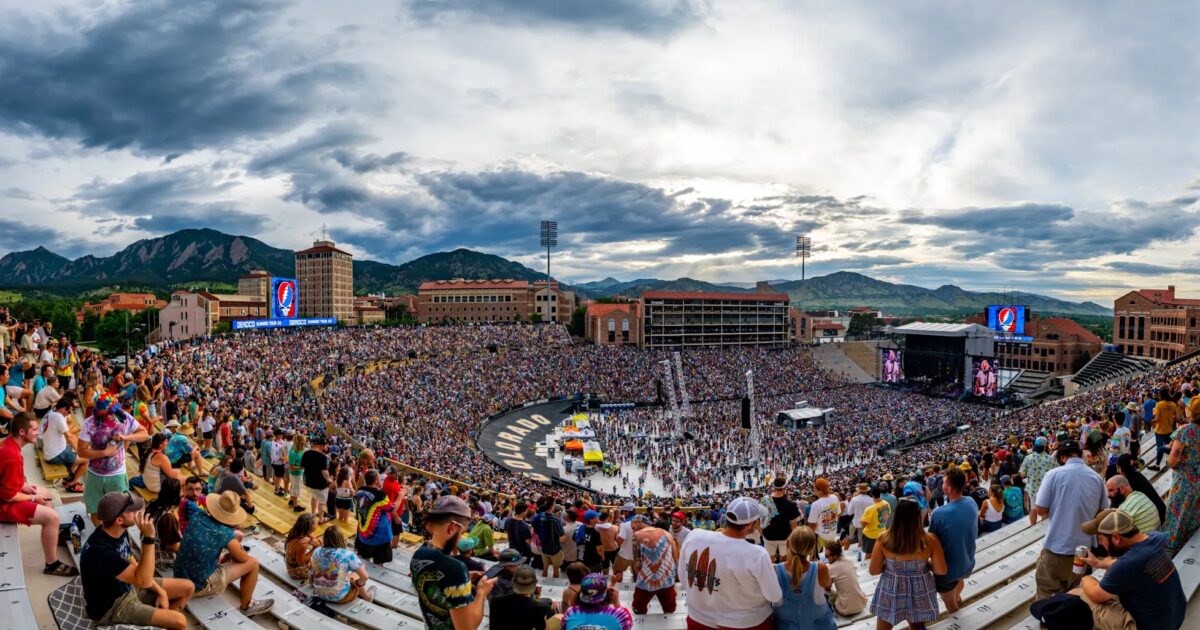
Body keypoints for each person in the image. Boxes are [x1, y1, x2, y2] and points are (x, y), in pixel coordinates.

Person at [80, 492, 194, 629]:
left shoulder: (117, 531)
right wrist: (149, 538)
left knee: (188, 587)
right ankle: (166, 620)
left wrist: (161, 591)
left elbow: (132, 562)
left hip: (128, 585)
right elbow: (144, 581)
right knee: (180, 621)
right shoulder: (100, 552)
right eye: (131, 510)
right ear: (119, 520)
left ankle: (163, 622)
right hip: (112, 606)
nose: (137, 511)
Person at [677, 496, 782, 630]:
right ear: (750, 525)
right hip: (746, 624)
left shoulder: (694, 536)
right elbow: (774, 596)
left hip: (697, 619)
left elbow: (684, 578)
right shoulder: (757, 554)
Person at [1070, 509, 1186, 629]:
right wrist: (1099, 564)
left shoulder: (1127, 565)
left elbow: (1096, 594)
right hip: (1174, 617)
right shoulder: (1153, 539)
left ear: (1116, 538)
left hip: (1148, 626)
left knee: (1077, 598)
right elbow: (1132, 564)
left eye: (1100, 538)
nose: (1099, 543)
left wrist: (1085, 578)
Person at [0, 412, 77, 575]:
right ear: (22, 432)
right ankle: (52, 564)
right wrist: (33, 497)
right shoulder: (12, 455)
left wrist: (25, 487)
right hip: (4, 505)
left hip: (6, 496)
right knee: (52, 517)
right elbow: (9, 496)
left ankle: (50, 533)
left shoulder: (10, 444)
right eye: (34, 430)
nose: (38, 433)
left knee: (47, 493)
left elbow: (9, 482)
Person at [174, 490, 273, 616]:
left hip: (179, 575)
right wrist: (235, 543)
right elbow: (243, 558)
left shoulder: (198, 516)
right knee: (253, 563)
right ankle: (247, 606)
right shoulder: (224, 533)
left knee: (224, 556)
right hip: (197, 585)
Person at [1033, 439, 1109, 599]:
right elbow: (1103, 512)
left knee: (1047, 591)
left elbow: (1040, 509)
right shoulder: (1096, 477)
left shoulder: (1052, 475)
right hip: (1083, 550)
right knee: (1075, 591)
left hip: (1056, 547)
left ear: (1062, 457)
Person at [410, 495, 495, 629]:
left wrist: (465, 577)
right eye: (462, 533)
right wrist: (481, 592)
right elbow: (467, 628)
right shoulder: (456, 568)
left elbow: (435, 580)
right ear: (452, 528)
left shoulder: (419, 553)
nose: (460, 539)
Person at [868, 499, 947, 630]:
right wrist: (924, 564)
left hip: (891, 587)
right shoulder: (930, 539)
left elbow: (874, 571)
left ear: (896, 515)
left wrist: (892, 567)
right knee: (917, 627)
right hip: (920, 588)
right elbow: (941, 570)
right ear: (917, 516)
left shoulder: (883, 539)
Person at [77, 394, 149, 522]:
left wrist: (126, 437)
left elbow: (144, 434)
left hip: (117, 475)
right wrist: (104, 453)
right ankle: (101, 536)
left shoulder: (125, 418)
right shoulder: (90, 423)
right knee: (95, 510)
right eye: (103, 415)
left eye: (110, 413)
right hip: (94, 475)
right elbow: (81, 451)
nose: (107, 417)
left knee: (120, 512)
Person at [928, 468, 977, 614]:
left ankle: (954, 604)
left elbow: (931, 543)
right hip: (967, 563)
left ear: (949, 489)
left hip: (947, 572)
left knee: (952, 608)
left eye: (943, 482)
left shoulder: (938, 513)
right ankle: (956, 596)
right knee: (958, 580)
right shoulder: (971, 501)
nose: (941, 485)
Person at [771, 525, 836, 630]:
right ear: (812, 547)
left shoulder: (774, 570)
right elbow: (827, 586)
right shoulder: (821, 568)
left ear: (788, 543)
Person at [1163, 404, 1200, 554]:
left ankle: (1170, 549)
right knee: (1193, 514)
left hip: (1185, 479)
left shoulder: (1186, 430)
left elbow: (1172, 460)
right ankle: (1185, 547)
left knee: (1177, 514)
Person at [629, 514, 679, 615]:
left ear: (638, 523)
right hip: (666, 579)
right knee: (669, 608)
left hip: (646, 580)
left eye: (633, 527)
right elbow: (675, 558)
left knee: (638, 607)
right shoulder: (666, 533)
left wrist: (639, 575)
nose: (633, 530)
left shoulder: (637, 536)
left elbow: (637, 563)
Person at [311, 526, 375, 604]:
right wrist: (357, 584)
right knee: (359, 571)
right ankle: (367, 597)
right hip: (340, 597)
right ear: (340, 538)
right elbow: (365, 577)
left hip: (319, 593)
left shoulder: (317, 551)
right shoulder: (347, 554)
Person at [489, 565, 559, 630]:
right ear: (535, 583)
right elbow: (542, 627)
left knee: (547, 602)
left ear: (513, 581)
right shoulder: (539, 607)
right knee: (558, 616)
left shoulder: (496, 600)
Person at [41, 396, 87, 493]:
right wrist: (80, 452)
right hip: (55, 454)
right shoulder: (58, 417)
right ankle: (71, 484)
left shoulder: (52, 412)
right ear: (62, 409)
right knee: (87, 460)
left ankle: (68, 478)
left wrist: (78, 448)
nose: (68, 414)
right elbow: (69, 437)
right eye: (68, 411)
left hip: (52, 451)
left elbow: (70, 434)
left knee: (73, 454)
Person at [561, 573, 633, 630]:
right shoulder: (620, 616)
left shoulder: (570, 613)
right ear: (606, 594)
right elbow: (626, 625)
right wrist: (616, 602)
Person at [354, 468, 395, 565]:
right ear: (376, 480)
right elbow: (392, 508)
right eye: (379, 479)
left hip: (363, 534)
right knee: (379, 564)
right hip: (379, 537)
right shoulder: (380, 495)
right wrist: (401, 495)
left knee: (364, 559)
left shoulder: (360, 491)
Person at [823, 542, 868, 617]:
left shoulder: (830, 568)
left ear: (835, 556)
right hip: (862, 604)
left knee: (824, 591)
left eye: (827, 556)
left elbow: (827, 587)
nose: (826, 558)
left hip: (845, 609)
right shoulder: (850, 562)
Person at [763, 476, 801, 562]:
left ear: (774, 487)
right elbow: (793, 525)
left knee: (770, 559)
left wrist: (762, 532)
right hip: (785, 537)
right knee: (785, 559)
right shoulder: (790, 504)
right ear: (785, 487)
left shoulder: (766, 501)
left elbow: (763, 520)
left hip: (769, 535)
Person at [532, 498, 566, 579]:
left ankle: (544, 580)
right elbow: (562, 538)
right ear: (552, 507)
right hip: (555, 549)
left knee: (545, 568)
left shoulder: (540, 516)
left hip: (544, 548)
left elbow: (536, 532)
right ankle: (554, 582)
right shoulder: (556, 520)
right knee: (556, 569)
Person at [301, 437, 332, 523]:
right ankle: (321, 519)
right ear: (321, 446)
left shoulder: (306, 453)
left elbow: (302, 466)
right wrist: (329, 480)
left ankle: (313, 514)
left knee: (314, 497)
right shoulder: (322, 457)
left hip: (310, 481)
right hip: (321, 484)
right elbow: (324, 472)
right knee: (322, 502)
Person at [807, 478, 840, 553]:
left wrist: (811, 540)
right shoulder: (834, 497)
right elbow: (838, 513)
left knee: (814, 556)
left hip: (820, 535)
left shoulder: (816, 505)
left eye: (814, 487)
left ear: (819, 489)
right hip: (832, 532)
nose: (813, 489)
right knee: (831, 554)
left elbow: (812, 525)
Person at [1148, 389, 1178, 470]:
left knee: (1160, 448)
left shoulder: (1159, 404)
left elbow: (1157, 418)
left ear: (1160, 395)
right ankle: (1171, 461)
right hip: (1169, 430)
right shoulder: (1173, 404)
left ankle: (1157, 465)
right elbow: (1177, 417)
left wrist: (1152, 420)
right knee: (1169, 448)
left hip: (1160, 430)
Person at [285, 513, 317, 583]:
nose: (317, 524)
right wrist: (314, 549)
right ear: (310, 527)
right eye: (316, 523)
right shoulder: (302, 544)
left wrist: (313, 540)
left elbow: (318, 541)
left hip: (291, 564)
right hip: (296, 571)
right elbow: (301, 562)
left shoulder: (296, 531)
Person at [859, 486, 890, 557]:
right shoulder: (886, 503)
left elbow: (863, 523)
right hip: (882, 532)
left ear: (872, 495)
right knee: (880, 553)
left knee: (869, 554)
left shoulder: (870, 509)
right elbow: (888, 514)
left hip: (870, 535)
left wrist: (861, 520)